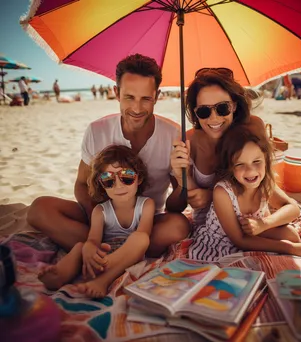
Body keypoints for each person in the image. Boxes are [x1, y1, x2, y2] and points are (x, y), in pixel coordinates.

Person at [27, 53, 190, 258]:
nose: (137, 108)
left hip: (147, 221)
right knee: (39, 209)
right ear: (116, 92)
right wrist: (99, 220)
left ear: (156, 96)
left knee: (179, 226)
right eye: (129, 97)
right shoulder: (97, 130)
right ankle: (118, 251)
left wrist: (183, 183)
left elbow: (177, 206)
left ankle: (100, 251)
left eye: (146, 99)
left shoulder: (174, 135)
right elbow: (81, 184)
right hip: (100, 216)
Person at [188, 125, 301, 265]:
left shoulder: (264, 182)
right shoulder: (223, 192)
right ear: (230, 167)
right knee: (293, 241)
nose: (251, 171)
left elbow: (293, 208)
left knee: (293, 234)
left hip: (257, 230)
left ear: (266, 160)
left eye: (257, 162)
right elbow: (240, 240)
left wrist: (265, 223)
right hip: (226, 241)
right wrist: (294, 249)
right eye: (240, 164)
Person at [38, 145, 154, 298]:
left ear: (139, 178)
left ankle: (102, 281)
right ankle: (59, 275)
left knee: (140, 238)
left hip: (128, 256)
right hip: (103, 255)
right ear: (101, 184)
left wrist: (107, 261)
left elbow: (143, 236)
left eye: (126, 176)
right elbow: (93, 239)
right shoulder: (100, 211)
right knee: (81, 247)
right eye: (108, 179)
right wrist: (90, 250)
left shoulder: (146, 205)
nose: (118, 185)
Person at [167, 68, 265, 227]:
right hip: (207, 227)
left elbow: (267, 186)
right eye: (204, 111)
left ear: (234, 106)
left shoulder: (253, 128)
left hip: (251, 223)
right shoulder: (187, 142)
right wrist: (181, 179)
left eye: (222, 108)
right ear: (195, 113)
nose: (214, 118)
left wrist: (212, 196)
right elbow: (173, 207)